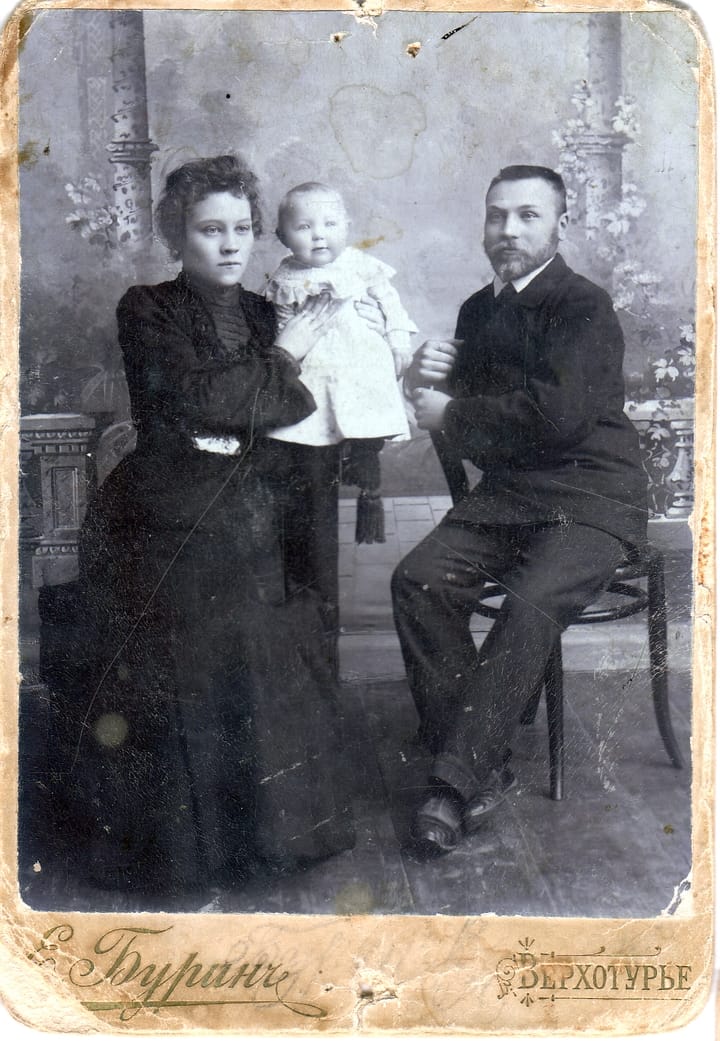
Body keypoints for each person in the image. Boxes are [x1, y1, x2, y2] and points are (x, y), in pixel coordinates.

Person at [41, 155, 359, 896]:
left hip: (246, 495)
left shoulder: (265, 312)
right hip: (161, 502)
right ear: (176, 237)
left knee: (261, 585)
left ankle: (260, 835)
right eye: (211, 230)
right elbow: (197, 401)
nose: (230, 244)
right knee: (201, 598)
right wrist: (282, 362)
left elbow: (293, 406)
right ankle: (185, 850)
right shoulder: (146, 309)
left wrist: (262, 384)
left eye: (242, 228)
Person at [391, 165, 649, 857]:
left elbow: (557, 418)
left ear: (560, 224)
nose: (508, 230)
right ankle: (482, 759)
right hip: (511, 498)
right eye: (496, 216)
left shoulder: (584, 304)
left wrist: (452, 410)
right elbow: (469, 425)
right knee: (418, 580)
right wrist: (426, 375)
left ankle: (454, 784)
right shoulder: (478, 311)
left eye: (527, 216)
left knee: (530, 602)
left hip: (593, 494)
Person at [265, 182, 415, 541]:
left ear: (346, 227)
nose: (319, 235)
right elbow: (281, 325)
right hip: (316, 368)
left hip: (359, 363)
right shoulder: (285, 278)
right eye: (304, 227)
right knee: (314, 429)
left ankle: (365, 466)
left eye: (330, 224)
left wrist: (398, 339)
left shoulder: (360, 265)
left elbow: (391, 304)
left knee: (362, 419)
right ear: (282, 236)